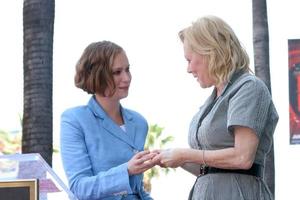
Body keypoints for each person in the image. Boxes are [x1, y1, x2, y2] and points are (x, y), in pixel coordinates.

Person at [153, 15, 279, 200]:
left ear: (210, 52)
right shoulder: (212, 101)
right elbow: (210, 169)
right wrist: (173, 159)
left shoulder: (249, 87)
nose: (188, 69)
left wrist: (184, 154)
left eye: (189, 60)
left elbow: (242, 158)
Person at [60, 41, 157, 200]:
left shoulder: (139, 122)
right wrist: (126, 170)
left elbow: (137, 189)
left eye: (127, 69)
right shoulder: (74, 120)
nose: (126, 78)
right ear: (97, 75)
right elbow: (79, 188)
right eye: (117, 72)